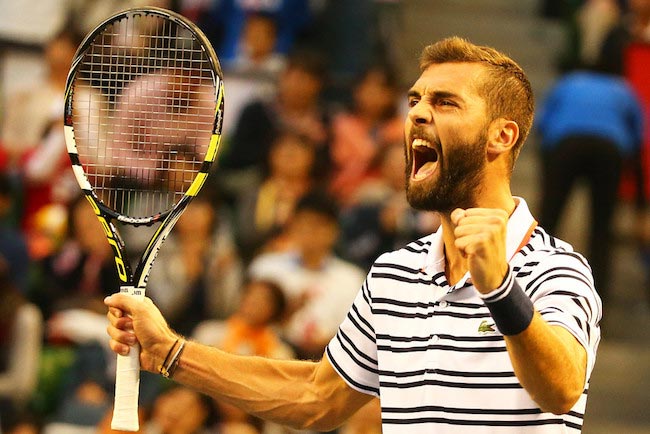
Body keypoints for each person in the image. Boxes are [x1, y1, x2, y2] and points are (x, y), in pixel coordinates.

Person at [105, 37, 602, 433]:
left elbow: (561, 386)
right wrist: (171, 351)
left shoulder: (556, 268)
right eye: (415, 100)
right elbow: (317, 398)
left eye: (446, 102)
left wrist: (500, 289)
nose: (418, 113)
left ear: (502, 135)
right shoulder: (394, 275)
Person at [535, 51, 646, 305]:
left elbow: (542, 126)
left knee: (548, 221)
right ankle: (596, 303)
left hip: (566, 145)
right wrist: (640, 203)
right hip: (610, 150)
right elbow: (639, 143)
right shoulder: (624, 89)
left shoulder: (569, 82)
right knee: (601, 229)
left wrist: (548, 180)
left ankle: (534, 291)